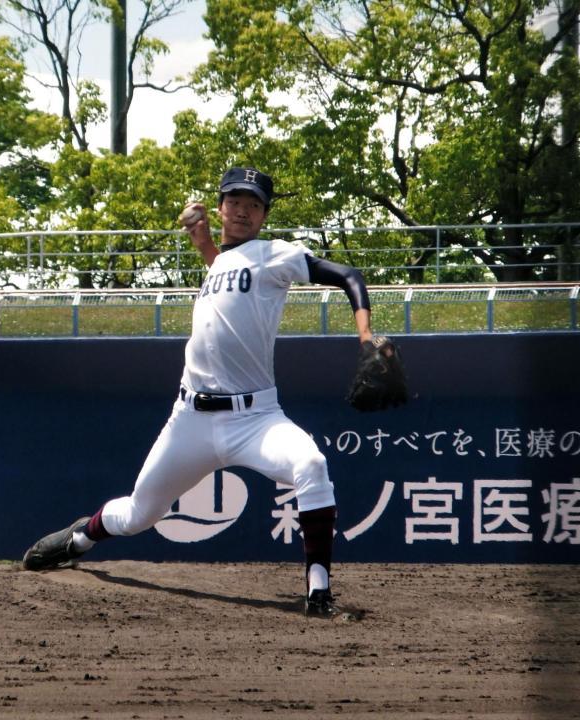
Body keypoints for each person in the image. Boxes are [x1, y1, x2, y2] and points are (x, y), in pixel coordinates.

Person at [22, 167, 375, 617]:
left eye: (254, 204)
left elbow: (348, 274)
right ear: (222, 205)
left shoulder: (275, 255)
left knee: (311, 464)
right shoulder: (221, 262)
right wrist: (205, 245)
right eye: (236, 201)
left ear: (265, 214)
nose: (243, 210)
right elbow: (229, 274)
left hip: (256, 420)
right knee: (137, 516)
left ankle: (318, 589)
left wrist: (365, 336)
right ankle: (81, 537)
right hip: (190, 419)